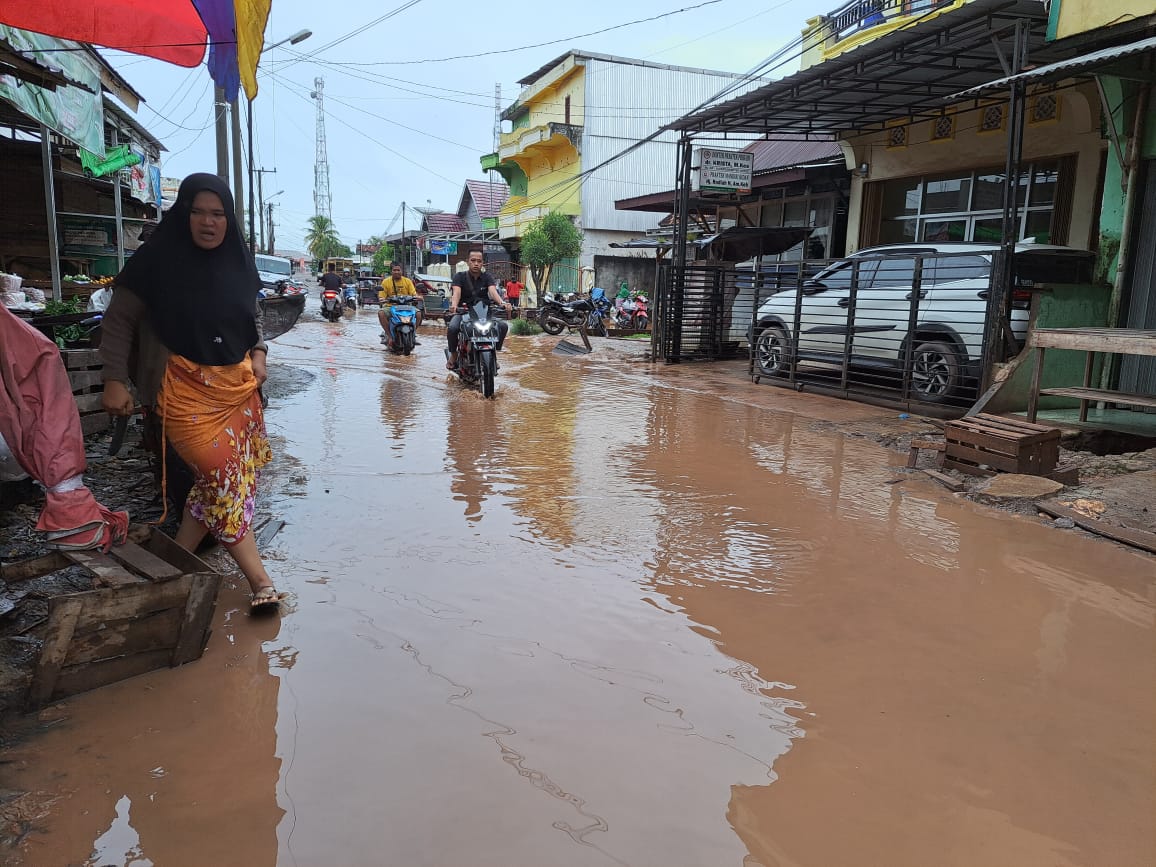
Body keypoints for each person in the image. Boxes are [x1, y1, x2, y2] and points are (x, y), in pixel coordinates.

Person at [101, 172, 285, 613]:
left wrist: (259, 353)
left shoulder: (238, 259)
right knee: (223, 481)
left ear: (229, 219)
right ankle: (260, 582)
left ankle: (178, 564)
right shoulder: (158, 259)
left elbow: (251, 313)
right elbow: (119, 319)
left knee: (220, 480)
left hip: (237, 388)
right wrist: (113, 379)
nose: (208, 222)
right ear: (184, 214)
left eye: (218, 213)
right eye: (199, 212)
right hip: (181, 388)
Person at [446, 250, 511, 370]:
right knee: (453, 328)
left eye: (479, 261)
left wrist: (502, 303)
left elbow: (493, 292)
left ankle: (493, 353)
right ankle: (454, 355)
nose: (476, 263)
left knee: (502, 326)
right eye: (473, 260)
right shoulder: (459, 276)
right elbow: (456, 293)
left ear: (482, 264)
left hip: (484, 313)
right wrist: (454, 305)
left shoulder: (487, 277)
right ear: (468, 262)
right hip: (463, 312)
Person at [377, 261, 420, 347]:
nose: (396, 272)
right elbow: (381, 297)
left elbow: (414, 294)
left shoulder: (408, 281)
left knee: (418, 313)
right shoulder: (385, 282)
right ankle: (389, 336)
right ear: (391, 271)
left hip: (407, 307)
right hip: (391, 307)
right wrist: (382, 299)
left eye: (398, 270)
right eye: (394, 270)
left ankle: (413, 334)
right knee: (381, 313)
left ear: (402, 271)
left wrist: (417, 297)